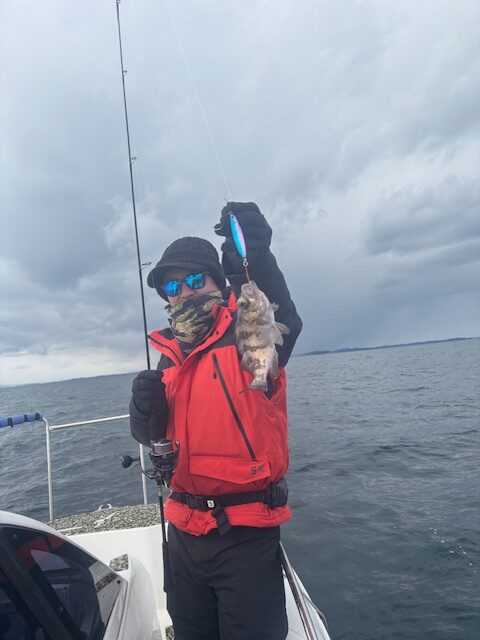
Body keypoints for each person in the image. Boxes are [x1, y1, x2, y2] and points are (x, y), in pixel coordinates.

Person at [129, 201, 302, 640]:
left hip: (245, 535)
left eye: (194, 280)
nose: (183, 293)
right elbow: (152, 437)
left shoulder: (247, 332)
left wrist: (254, 256)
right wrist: (143, 413)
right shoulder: (168, 355)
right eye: (172, 286)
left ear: (217, 282)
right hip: (182, 532)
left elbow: (280, 314)